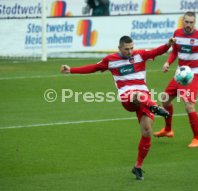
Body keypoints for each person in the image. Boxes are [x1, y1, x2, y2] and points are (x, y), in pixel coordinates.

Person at [60, 36, 176, 180]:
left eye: (132, 48)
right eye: (126, 49)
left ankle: (138, 167)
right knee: (136, 95)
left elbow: (157, 51)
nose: (130, 51)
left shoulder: (140, 55)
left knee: (147, 131)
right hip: (128, 97)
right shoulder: (111, 60)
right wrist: (71, 70)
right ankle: (156, 107)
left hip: (144, 98)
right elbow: (94, 68)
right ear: (119, 48)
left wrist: (168, 44)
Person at [154, 12, 198, 148]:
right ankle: (168, 130)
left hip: (193, 74)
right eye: (187, 22)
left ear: (194, 23)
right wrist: (167, 63)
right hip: (180, 72)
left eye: (191, 22)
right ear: (182, 21)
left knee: (189, 105)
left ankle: (197, 138)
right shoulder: (177, 33)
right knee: (165, 99)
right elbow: (174, 52)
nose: (189, 25)